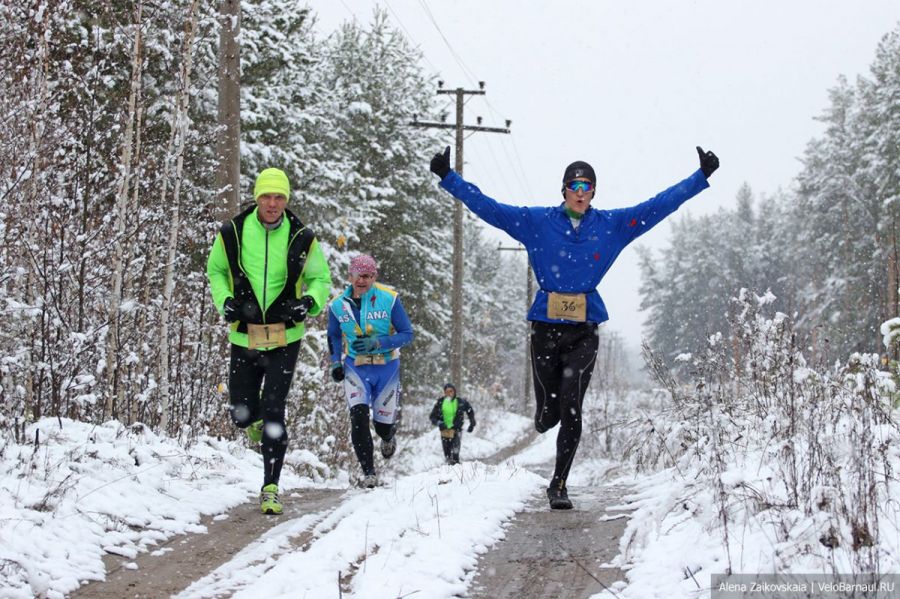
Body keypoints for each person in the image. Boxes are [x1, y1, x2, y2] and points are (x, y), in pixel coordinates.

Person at [430, 145, 719, 509]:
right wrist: (448, 177)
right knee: (548, 413)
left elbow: (657, 207)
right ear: (564, 190)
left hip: (584, 329)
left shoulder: (611, 226)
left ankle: (559, 484)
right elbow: (490, 208)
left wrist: (700, 177)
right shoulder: (537, 223)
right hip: (545, 328)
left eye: (587, 186)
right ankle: (543, 412)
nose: (580, 193)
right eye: (574, 186)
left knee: (571, 407)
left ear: (594, 192)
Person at [207, 167, 332, 515]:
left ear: (286, 200)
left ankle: (271, 487)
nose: (273, 204)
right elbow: (215, 270)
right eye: (267, 196)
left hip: (284, 336)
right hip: (244, 333)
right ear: (257, 197)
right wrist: (225, 300)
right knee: (241, 414)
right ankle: (254, 424)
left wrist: (309, 302)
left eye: (280, 197)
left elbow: (320, 278)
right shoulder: (232, 232)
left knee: (275, 408)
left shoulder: (301, 237)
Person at [327, 254, 414, 488]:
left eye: (367, 276)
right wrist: (335, 362)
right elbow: (334, 335)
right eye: (357, 276)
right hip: (356, 368)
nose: (362, 281)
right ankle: (369, 473)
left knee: (382, 425)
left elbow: (407, 334)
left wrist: (379, 343)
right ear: (350, 276)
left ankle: (388, 436)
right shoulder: (337, 305)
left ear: (374, 277)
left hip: (387, 369)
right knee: (358, 417)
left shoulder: (389, 299)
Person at [428, 383, 476, 465]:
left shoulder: (460, 402)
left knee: (455, 454)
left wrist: (472, 423)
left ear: (454, 392)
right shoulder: (440, 402)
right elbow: (432, 417)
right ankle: (449, 472)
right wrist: (439, 423)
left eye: (451, 391)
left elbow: (470, 411)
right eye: (447, 392)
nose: (449, 393)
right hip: (444, 431)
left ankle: (456, 470)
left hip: (456, 430)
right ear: (444, 392)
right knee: (447, 455)